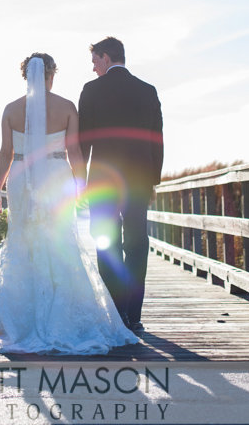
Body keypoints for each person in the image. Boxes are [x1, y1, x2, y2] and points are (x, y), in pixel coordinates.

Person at [0, 52, 137, 355]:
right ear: (51, 75)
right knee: (61, 243)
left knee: (23, 243)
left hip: (21, 179)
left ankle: (19, 320)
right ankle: (62, 317)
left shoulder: (11, 109)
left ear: (26, 76)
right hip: (56, 180)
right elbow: (74, 151)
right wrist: (81, 186)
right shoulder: (66, 107)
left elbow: (5, 154)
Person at [78, 36, 163, 332]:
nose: (93, 69)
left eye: (94, 62)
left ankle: (116, 312)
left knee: (106, 241)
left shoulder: (91, 91)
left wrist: (81, 182)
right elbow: (157, 140)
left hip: (103, 183)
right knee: (138, 243)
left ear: (105, 57)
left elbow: (83, 142)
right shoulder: (147, 91)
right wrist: (154, 181)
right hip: (139, 181)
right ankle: (134, 314)